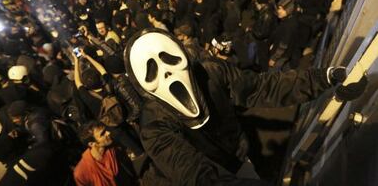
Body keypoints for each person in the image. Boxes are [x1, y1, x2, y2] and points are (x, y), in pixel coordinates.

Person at [123, 29, 367, 185]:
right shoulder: (153, 125)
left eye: (168, 59)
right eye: (152, 71)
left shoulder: (212, 72)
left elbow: (264, 87)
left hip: (240, 157)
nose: (166, 73)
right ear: (144, 88)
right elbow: (194, 173)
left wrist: (325, 77)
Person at [74, 121, 137, 186]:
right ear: (91, 144)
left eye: (105, 130)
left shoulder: (115, 148)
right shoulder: (81, 172)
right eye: (102, 134)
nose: (108, 133)